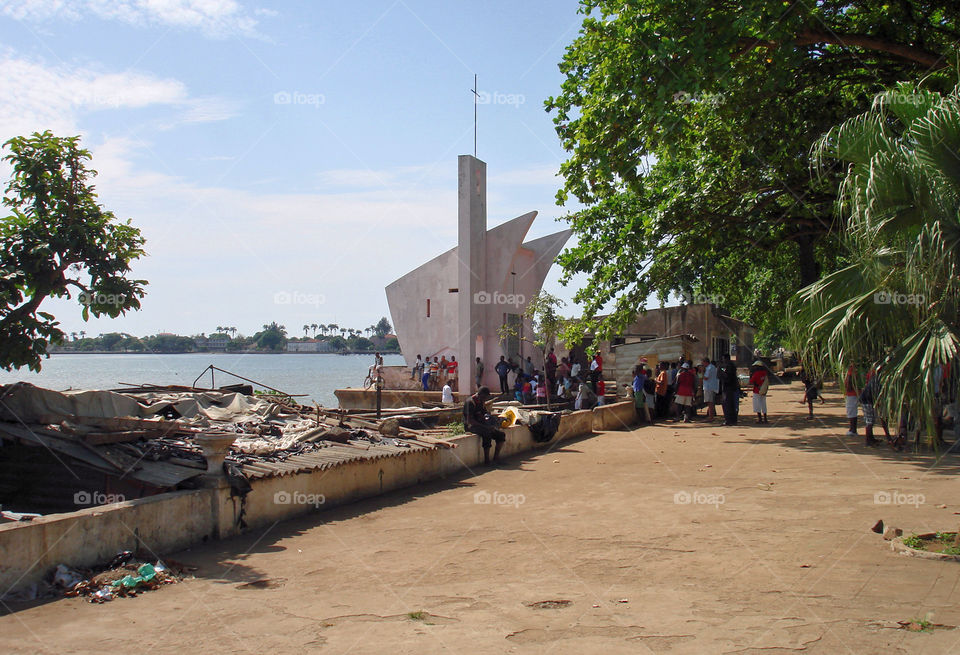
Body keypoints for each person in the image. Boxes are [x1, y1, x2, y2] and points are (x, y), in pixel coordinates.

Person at [463, 386, 505, 465]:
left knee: (501, 435)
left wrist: (490, 421)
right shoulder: (470, 402)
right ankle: (487, 460)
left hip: (481, 424)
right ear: (479, 395)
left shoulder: (481, 402)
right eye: (484, 397)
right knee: (487, 433)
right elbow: (470, 420)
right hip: (471, 426)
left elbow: (484, 413)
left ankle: (496, 458)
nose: (485, 399)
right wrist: (486, 426)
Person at [720, 354, 739, 426]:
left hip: (728, 388)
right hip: (732, 388)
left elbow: (725, 376)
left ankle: (728, 420)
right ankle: (733, 420)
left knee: (727, 405)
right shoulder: (732, 366)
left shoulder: (727, 366)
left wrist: (721, 372)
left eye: (723, 359)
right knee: (732, 405)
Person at [843, 362, 859, 436]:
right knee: (852, 411)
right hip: (853, 393)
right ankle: (852, 429)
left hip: (852, 393)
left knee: (851, 411)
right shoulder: (854, 370)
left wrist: (848, 389)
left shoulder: (852, 370)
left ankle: (853, 430)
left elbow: (849, 382)